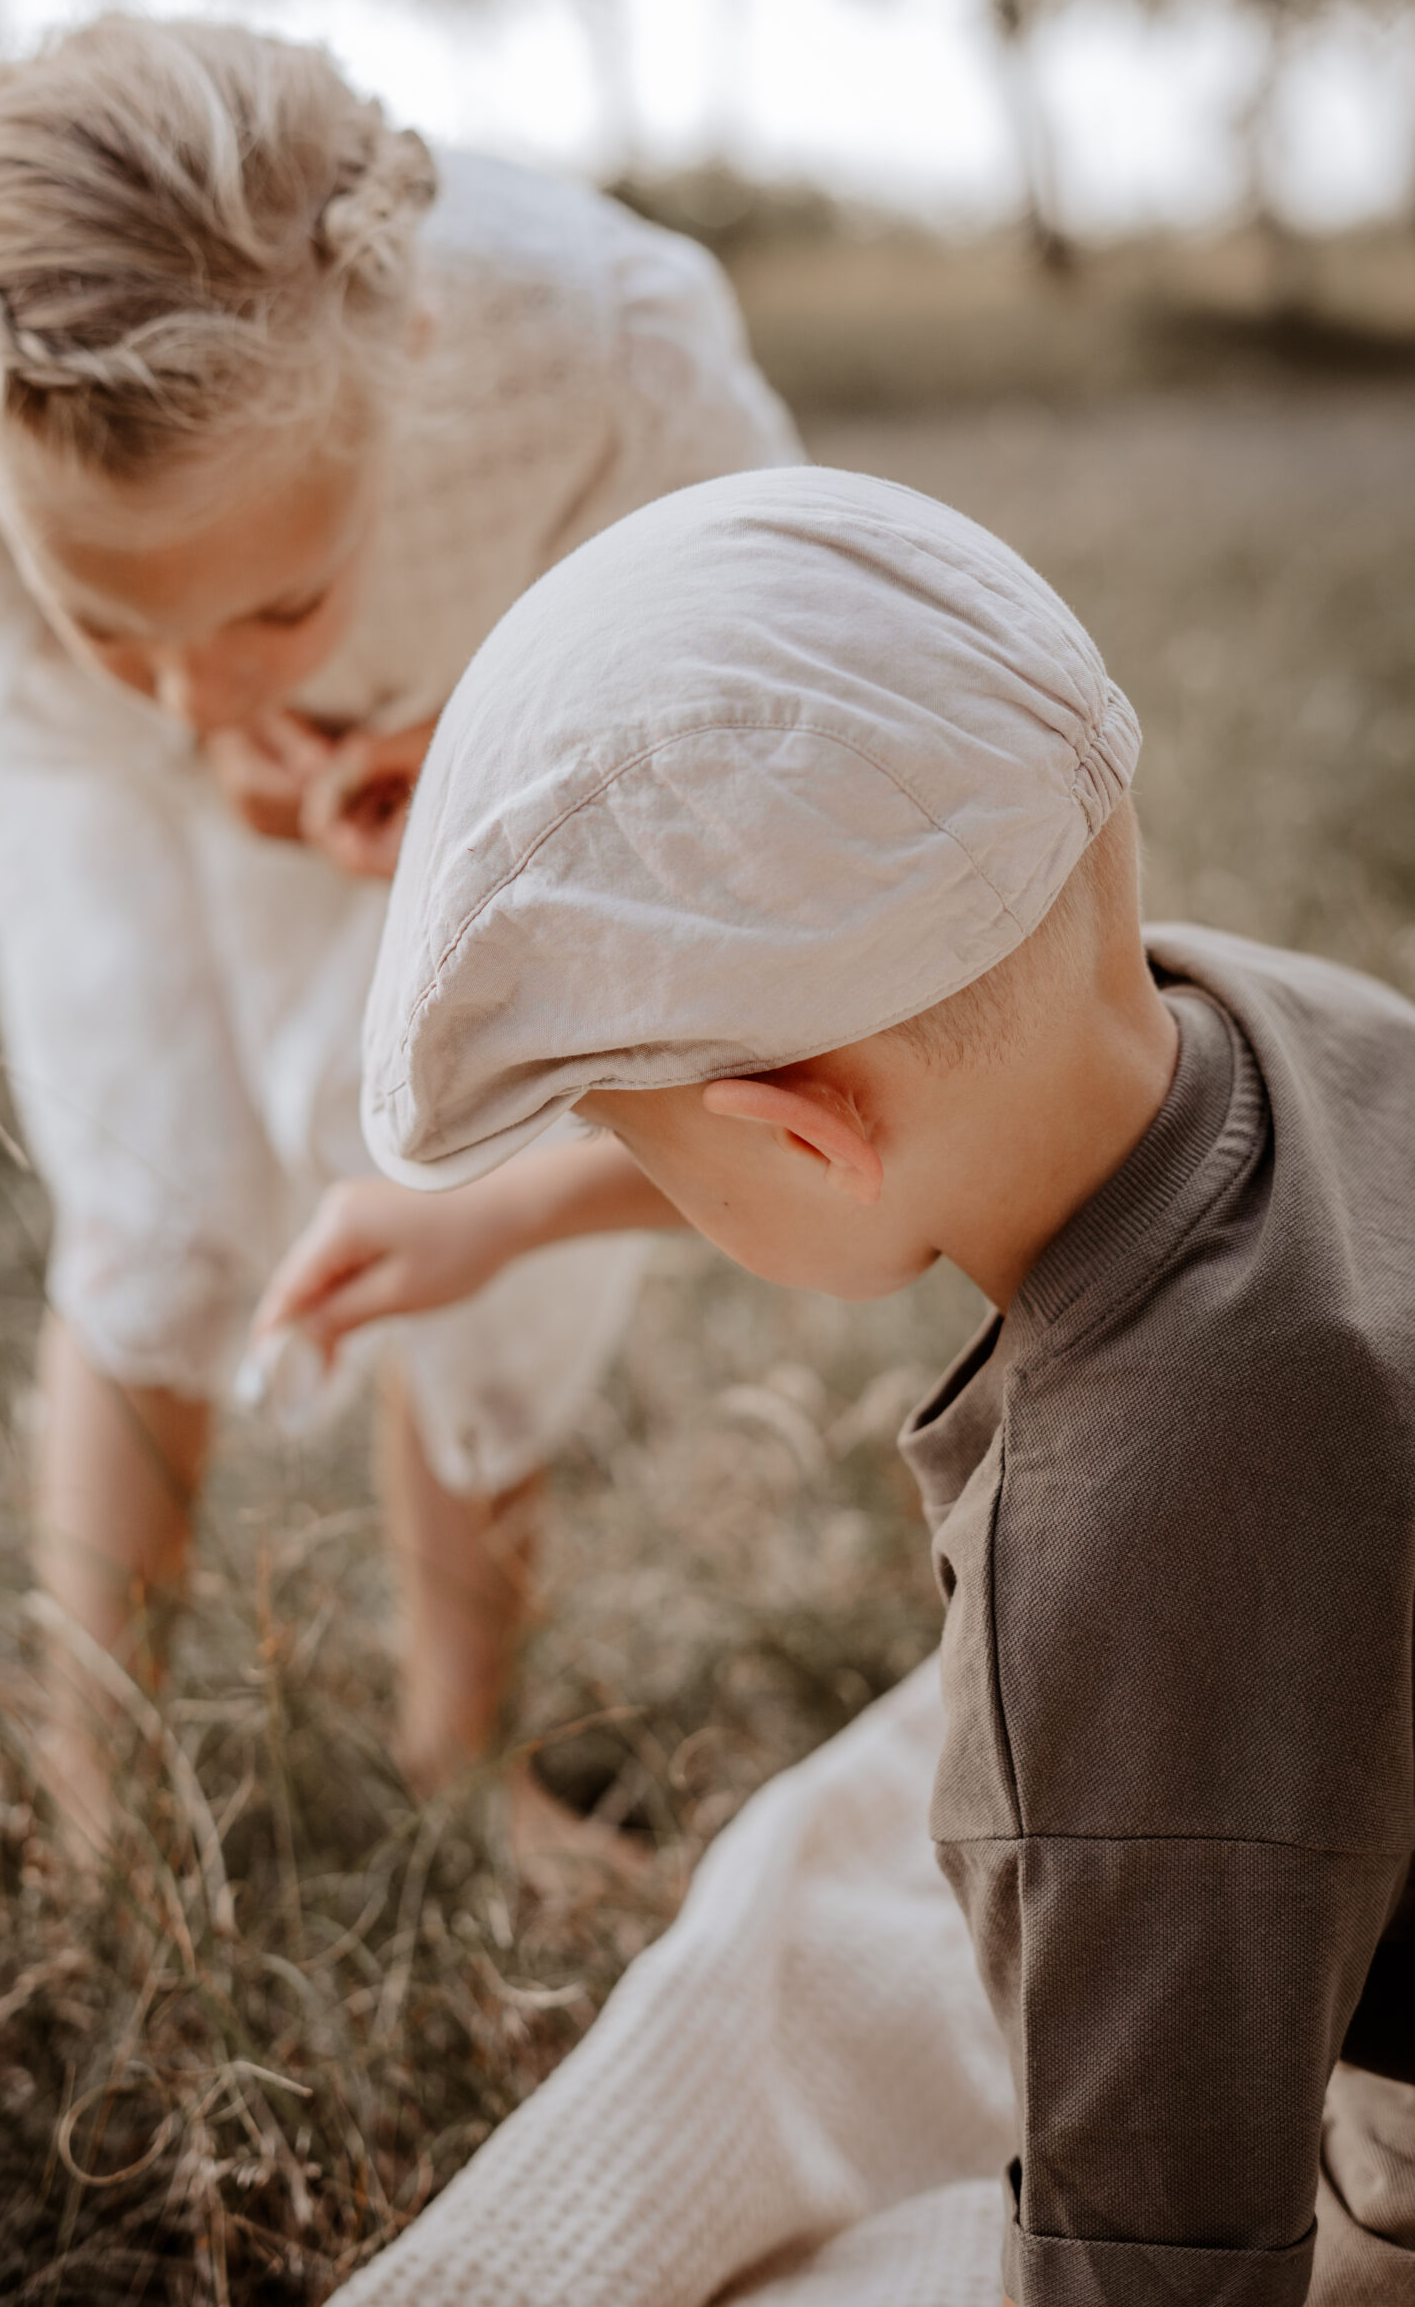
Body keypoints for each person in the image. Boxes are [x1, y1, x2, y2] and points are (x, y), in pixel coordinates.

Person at [263, 467, 1415, 2303]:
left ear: (801, 1138)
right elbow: (844, 1133)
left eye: (621, 1138)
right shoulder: (1295, 1023)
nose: (629, 1172)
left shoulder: (1114, 1583)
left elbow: (1157, 2249)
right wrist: (513, 1218)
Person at [0, 17, 799, 1843]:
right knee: (151, 1186)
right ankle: (102, 1804)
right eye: (121, 615)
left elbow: (737, 637)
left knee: (461, 1158)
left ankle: (465, 1762)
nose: (205, 682)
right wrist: (163, 726)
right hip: (86, 770)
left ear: (414, 347)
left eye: (278, 603)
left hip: (499, 731)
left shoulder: (611, 355)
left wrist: (483, 737)